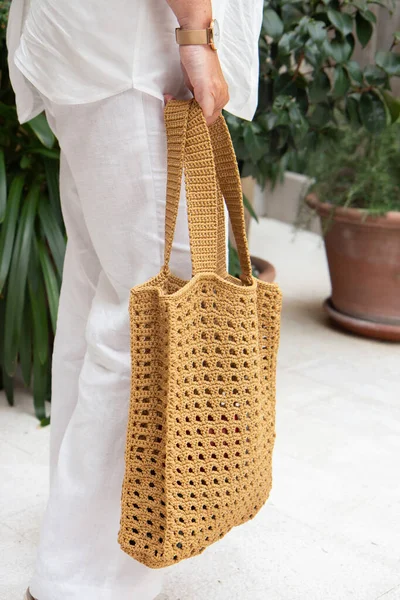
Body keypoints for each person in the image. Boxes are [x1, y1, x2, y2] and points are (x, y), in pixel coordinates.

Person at [6, 1, 263, 599]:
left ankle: (75, 544)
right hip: (140, 51)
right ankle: (87, 580)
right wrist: (196, 35)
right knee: (153, 323)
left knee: (106, 297)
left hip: (104, 50)